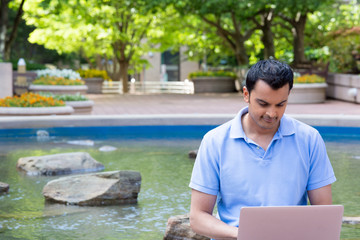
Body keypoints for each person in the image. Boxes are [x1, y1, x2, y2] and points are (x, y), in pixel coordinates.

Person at [189, 59, 336, 239]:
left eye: (280, 104)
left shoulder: (310, 139)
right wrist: (245, 235)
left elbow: (324, 213)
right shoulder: (214, 142)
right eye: (263, 104)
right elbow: (198, 217)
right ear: (246, 95)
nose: (271, 114)